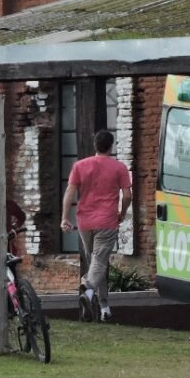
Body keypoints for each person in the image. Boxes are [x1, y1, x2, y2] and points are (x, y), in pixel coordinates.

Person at [60, 130, 132, 322]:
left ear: (95, 145)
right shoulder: (119, 168)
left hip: (84, 222)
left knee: (96, 263)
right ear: (111, 146)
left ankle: (104, 308)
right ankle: (88, 289)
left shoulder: (79, 166)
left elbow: (69, 192)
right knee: (99, 262)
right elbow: (127, 196)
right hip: (107, 221)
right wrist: (122, 213)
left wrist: (64, 218)